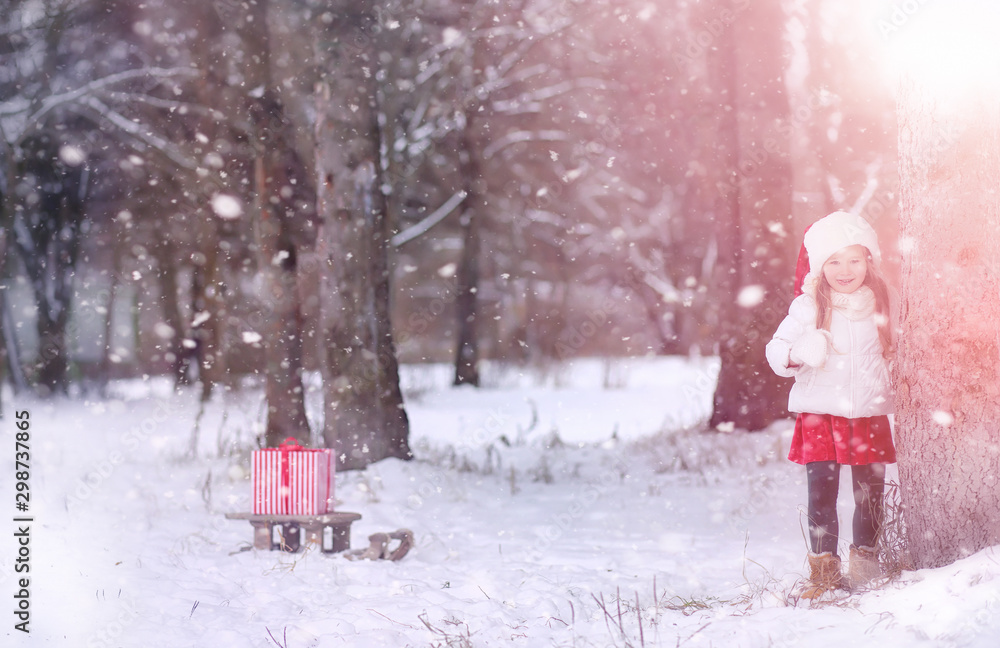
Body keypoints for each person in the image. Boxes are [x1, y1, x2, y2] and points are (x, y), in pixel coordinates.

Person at [765, 211, 895, 599]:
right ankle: (823, 572)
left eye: (854, 259)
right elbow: (776, 351)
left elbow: (898, 352)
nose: (844, 269)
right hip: (821, 414)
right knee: (821, 495)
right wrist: (799, 352)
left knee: (869, 495)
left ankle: (866, 566)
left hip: (868, 414)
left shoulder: (883, 304)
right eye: (834, 261)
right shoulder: (807, 307)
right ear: (820, 266)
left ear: (868, 261)